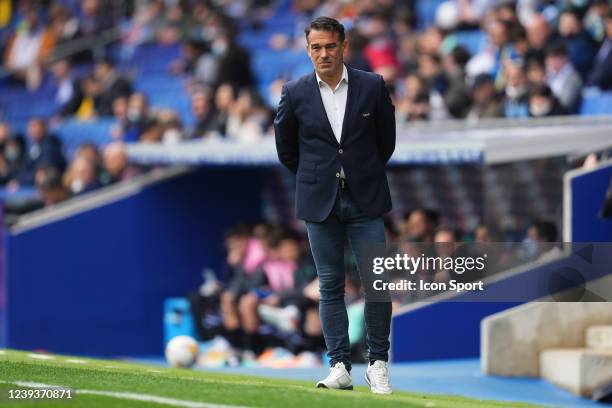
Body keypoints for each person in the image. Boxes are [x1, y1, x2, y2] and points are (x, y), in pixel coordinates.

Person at [274, 16, 395, 394]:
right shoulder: (294, 92)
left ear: (344, 45)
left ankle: (377, 364)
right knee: (329, 285)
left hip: (365, 198)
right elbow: (286, 149)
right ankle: (339, 364)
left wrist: (358, 172)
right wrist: (319, 175)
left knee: (376, 282)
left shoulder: (373, 85)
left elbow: (385, 142)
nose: (323, 53)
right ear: (307, 50)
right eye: (316, 47)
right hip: (319, 199)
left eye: (330, 46)